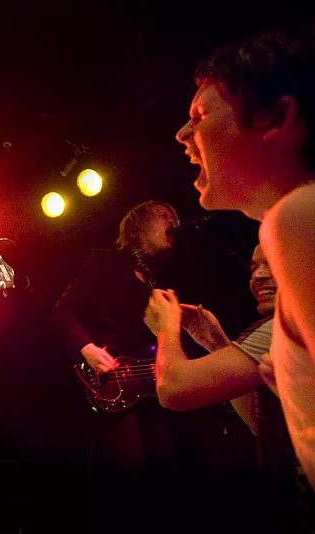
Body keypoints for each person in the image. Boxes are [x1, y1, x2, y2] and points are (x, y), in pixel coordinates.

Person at [175, 24, 315, 489]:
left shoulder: (298, 216)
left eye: (199, 116)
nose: (181, 134)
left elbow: (175, 389)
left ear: (276, 118)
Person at [144, 243, 315, 532]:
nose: (258, 275)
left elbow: (173, 389)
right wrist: (216, 344)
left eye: (272, 261)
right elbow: (258, 424)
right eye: (254, 267)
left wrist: (165, 329)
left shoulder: (285, 327)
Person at [53, 200, 184, 532]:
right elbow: (63, 309)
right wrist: (86, 347)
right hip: (113, 378)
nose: (173, 222)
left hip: (151, 384)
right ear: (140, 225)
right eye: (164, 216)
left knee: (165, 468)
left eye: (175, 217)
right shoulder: (106, 261)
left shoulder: (160, 278)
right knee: (130, 472)